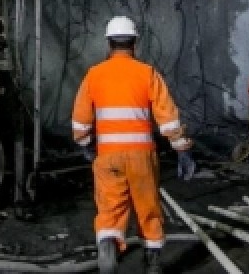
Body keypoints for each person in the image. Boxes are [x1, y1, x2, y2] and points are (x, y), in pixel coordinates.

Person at [72, 16, 195, 274]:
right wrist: (182, 150)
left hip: (108, 156)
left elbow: (81, 121)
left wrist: (85, 144)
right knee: (148, 207)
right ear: (134, 43)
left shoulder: (94, 75)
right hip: (141, 156)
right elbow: (168, 118)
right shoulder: (147, 73)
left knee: (110, 207)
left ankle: (108, 244)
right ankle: (153, 262)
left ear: (109, 43)